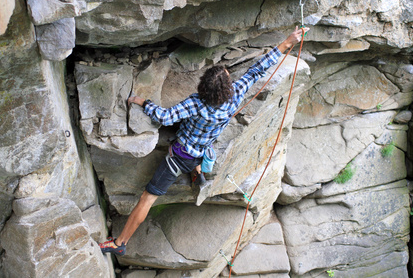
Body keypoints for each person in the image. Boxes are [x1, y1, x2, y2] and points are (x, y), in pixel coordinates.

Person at [99, 26, 308, 256]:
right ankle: (198, 171)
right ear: (226, 87)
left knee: (147, 198)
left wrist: (142, 101)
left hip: (178, 158)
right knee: (197, 150)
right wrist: (288, 42)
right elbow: (258, 70)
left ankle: (120, 243)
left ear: (204, 87)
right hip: (201, 150)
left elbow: (165, 116)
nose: (229, 74)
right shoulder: (235, 95)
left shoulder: (196, 103)